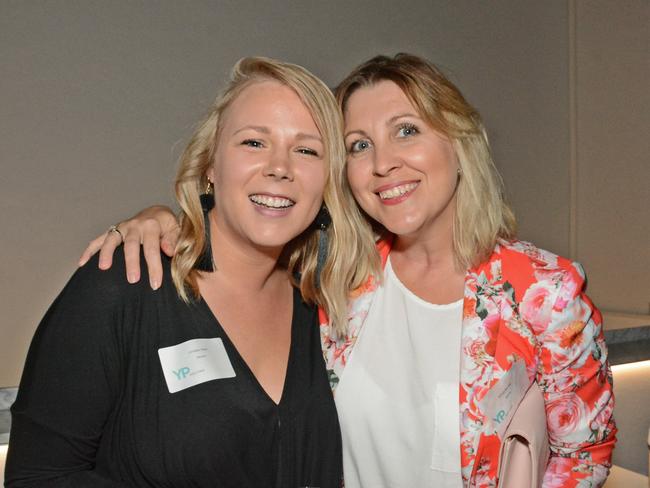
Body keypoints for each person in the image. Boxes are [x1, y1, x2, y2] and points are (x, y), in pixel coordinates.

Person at [78, 54, 617, 487]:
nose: (384, 162)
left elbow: (584, 457)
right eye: (359, 145)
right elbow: (246, 227)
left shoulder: (543, 292)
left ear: (458, 143)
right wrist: (159, 223)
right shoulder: (339, 276)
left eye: (406, 130)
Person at [6, 57, 381, 487]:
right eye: (253, 143)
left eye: (306, 149)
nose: (280, 167)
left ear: (328, 181)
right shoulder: (124, 284)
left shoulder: (321, 302)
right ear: (210, 165)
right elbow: (37, 477)